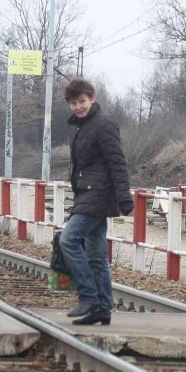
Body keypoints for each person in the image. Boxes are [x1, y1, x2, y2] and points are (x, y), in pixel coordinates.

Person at [59, 78, 133, 326]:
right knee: (96, 255)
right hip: (86, 194)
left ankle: (88, 296)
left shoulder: (103, 124)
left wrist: (124, 197)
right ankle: (102, 308)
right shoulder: (81, 127)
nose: (78, 106)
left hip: (97, 195)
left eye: (82, 101)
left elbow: (117, 162)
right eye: (73, 103)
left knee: (67, 239)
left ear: (92, 99)